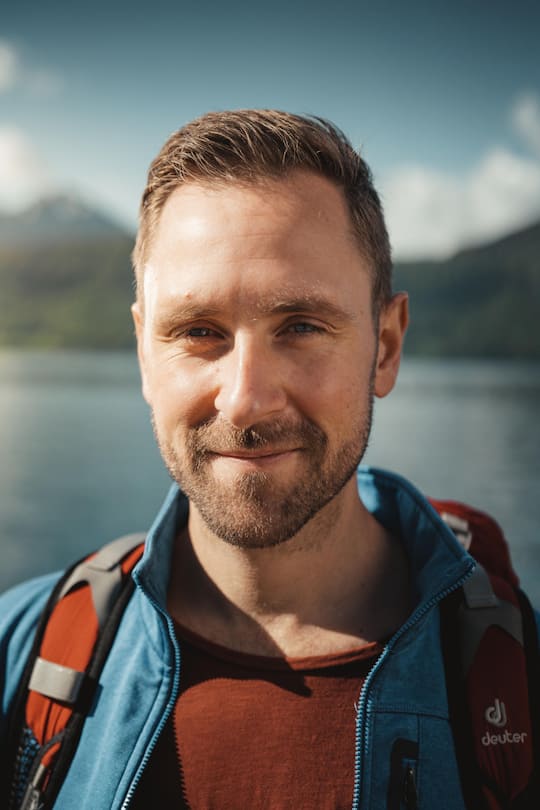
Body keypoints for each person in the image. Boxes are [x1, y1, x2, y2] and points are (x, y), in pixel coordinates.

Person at [0, 110, 535, 810]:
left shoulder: (511, 678)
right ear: (143, 352)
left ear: (386, 345)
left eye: (302, 326)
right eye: (198, 331)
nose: (246, 400)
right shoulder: (27, 649)